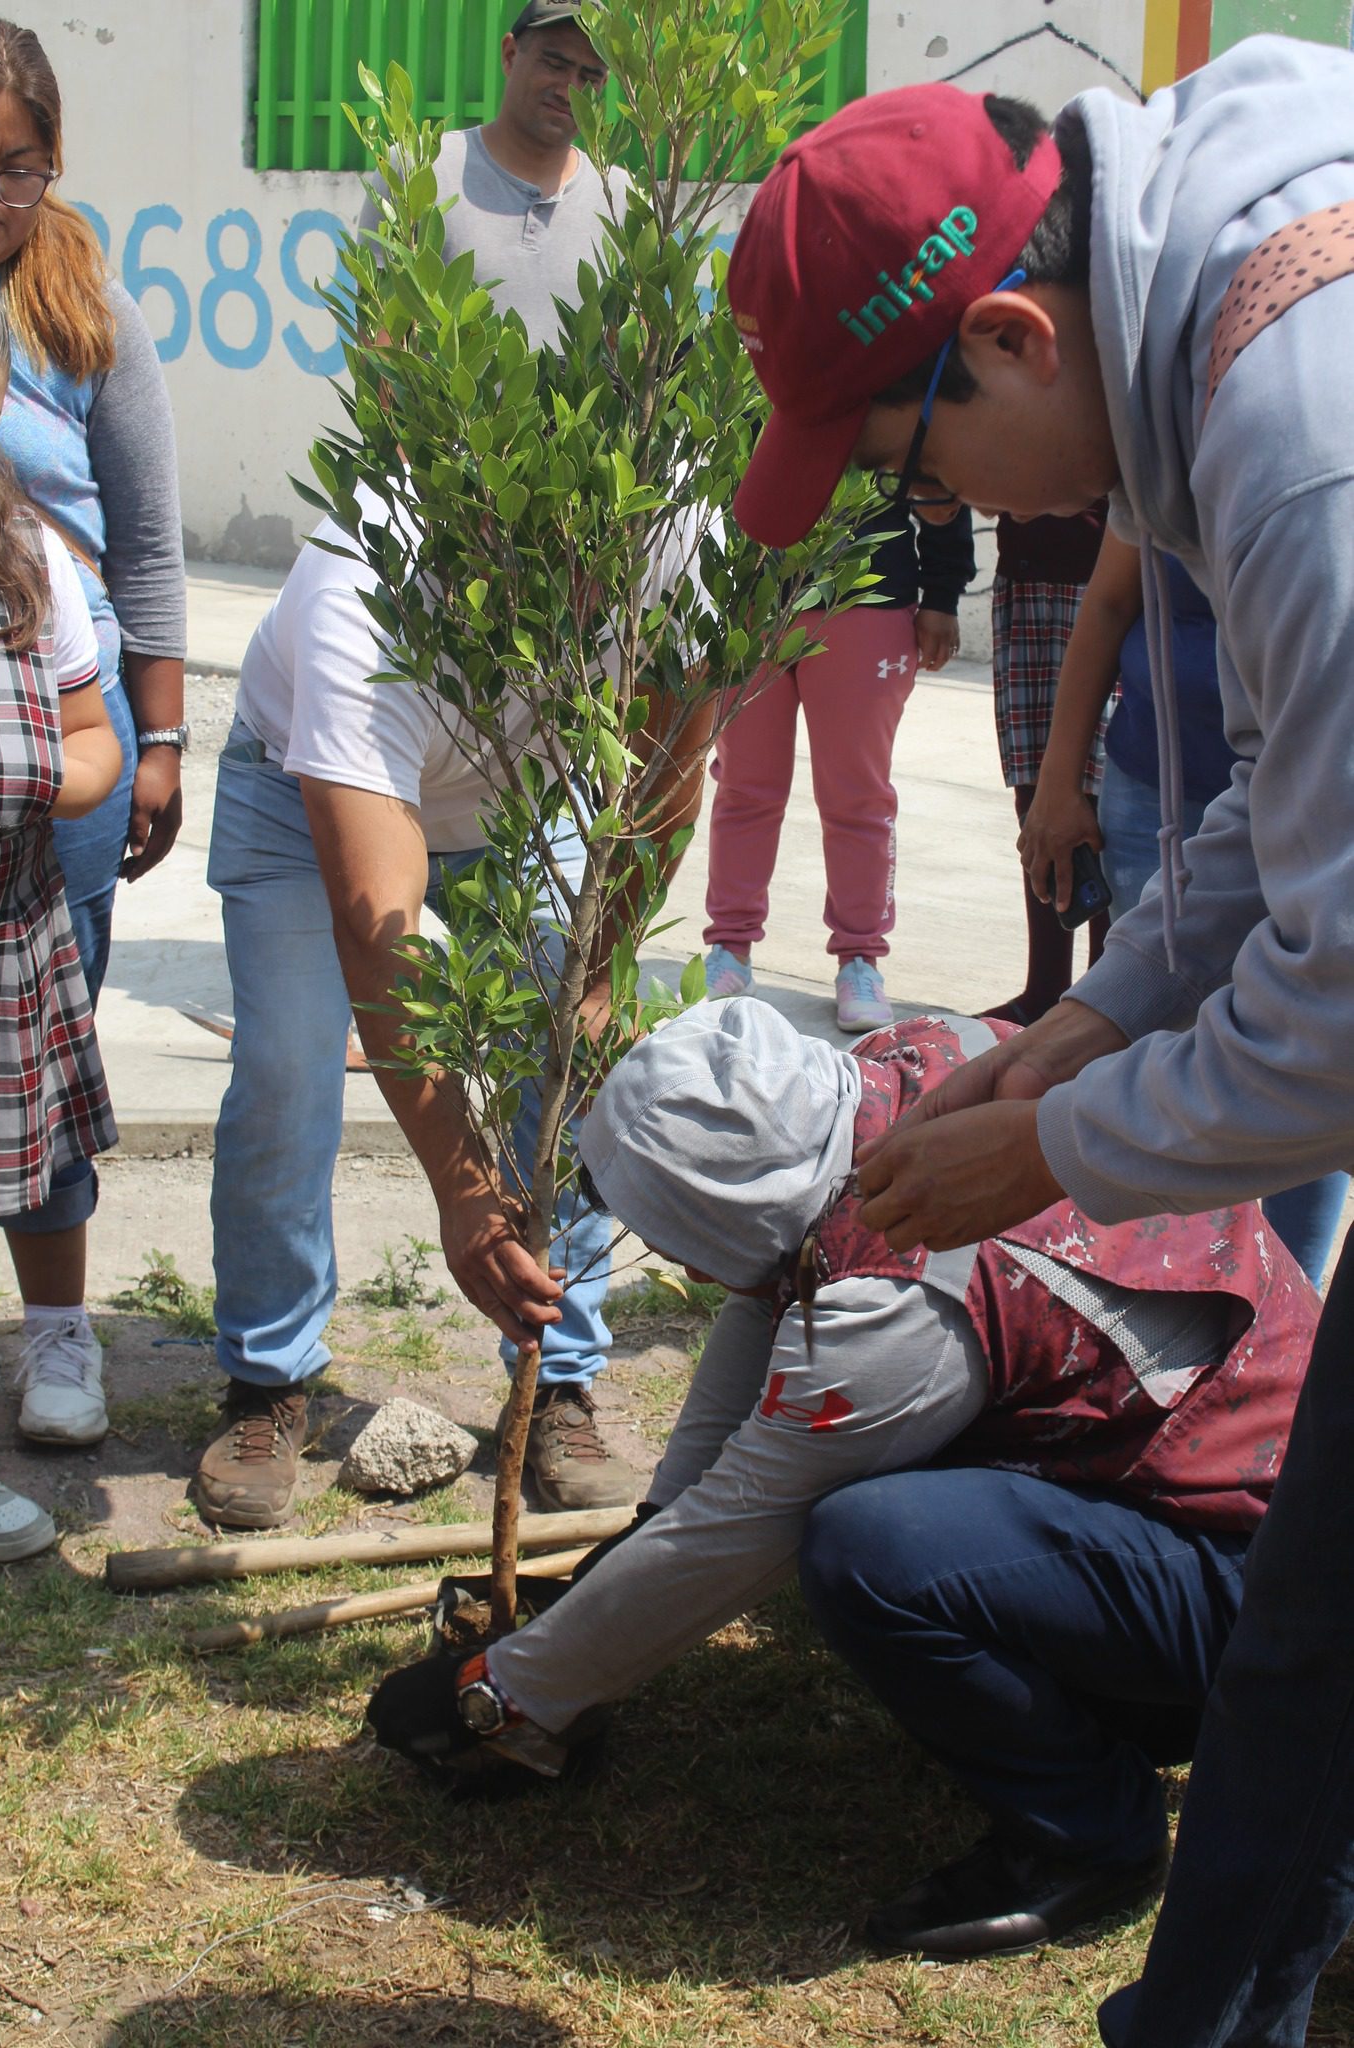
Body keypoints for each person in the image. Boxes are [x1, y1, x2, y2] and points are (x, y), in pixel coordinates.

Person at [722, 45, 1354, 2046]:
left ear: (1005, 331)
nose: (937, 520)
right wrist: (1069, 1027)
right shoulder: (1215, 306)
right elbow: (1273, 804)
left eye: (912, 470)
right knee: (1307, 1660)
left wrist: (1057, 1143)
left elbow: (1342, 1003)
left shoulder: (1295, 429)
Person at [366, 998, 1317, 1960]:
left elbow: (740, 1530)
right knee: (857, 1512)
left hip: (1256, 1588)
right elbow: (778, 1286)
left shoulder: (903, 1302)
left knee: (872, 1549)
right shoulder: (909, 1074)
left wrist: (503, 1698)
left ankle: (1087, 1836)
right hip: (1255, 1478)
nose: (676, 1264)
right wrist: (646, 1527)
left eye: (673, 1235)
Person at [197, 0, 644, 1531]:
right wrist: (458, 1198)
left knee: (566, 1079)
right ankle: (268, 1385)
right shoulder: (358, 602)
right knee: (280, 1086)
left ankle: (558, 1377)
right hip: (305, 801)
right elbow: (376, 929)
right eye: (554, 52)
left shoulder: (645, 558)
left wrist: (608, 955)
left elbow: (676, 756)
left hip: (525, 804)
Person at [0, 17, 185, 1446]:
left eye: (18, 167)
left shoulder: (85, 315)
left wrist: (155, 742)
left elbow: (156, 548)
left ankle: (60, 1341)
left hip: (64, 734)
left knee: (40, 1054)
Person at [1020, 530, 1349, 1288]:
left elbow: (1315, 1060)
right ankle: (1150, 1289)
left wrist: (1026, 1151)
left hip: (1310, 799)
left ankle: (1276, 1300)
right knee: (1140, 1037)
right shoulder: (1165, 453)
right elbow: (1106, 600)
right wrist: (1058, 777)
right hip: (1159, 784)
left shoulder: (1297, 475)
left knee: (1297, 1054)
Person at [0, 287, 119, 1557]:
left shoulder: (31, 563)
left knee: (25, 1169)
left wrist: (28, 772)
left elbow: (89, 740)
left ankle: (57, 1337)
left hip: (4, 937)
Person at [701, 497, 975, 1031]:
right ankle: (729, 952)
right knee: (743, 786)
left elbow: (939, 475)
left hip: (868, 597)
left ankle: (860, 960)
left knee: (857, 796)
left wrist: (943, 594)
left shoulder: (884, 406)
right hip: (751, 598)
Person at [982, 505, 1111, 1025]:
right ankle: (1046, 988)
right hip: (1028, 574)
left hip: (1106, 584)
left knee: (1105, 793)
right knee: (1034, 790)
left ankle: (1106, 991)